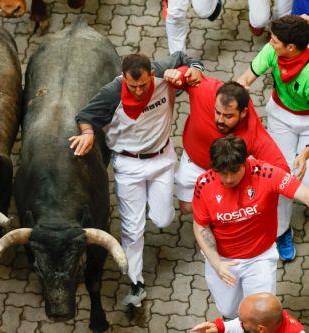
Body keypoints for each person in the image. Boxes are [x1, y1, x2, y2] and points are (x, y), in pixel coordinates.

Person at [69, 52, 204, 307]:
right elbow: (85, 117)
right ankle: (136, 283)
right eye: (133, 86)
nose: (139, 91)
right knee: (132, 229)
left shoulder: (165, 72)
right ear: (124, 79)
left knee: (163, 219)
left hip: (162, 159)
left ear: (152, 73)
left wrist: (193, 70)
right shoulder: (112, 93)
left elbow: (188, 58)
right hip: (128, 164)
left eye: (143, 84)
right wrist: (87, 134)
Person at [162, 69, 294, 262]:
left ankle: (281, 231)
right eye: (217, 112)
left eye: (228, 116)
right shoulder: (204, 88)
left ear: (243, 113)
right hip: (194, 163)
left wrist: (253, 170)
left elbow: (282, 171)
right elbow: (181, 76)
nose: (219, 120)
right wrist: (177, 74)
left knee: (227, 209)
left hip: (227, 171)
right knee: (186, 207)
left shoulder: (254, 133)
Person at [192, 136, 309, 319]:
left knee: (258, 314)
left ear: (244, 162)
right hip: (224, 260)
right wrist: (216, 263)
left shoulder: (267, 174)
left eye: (234, 171)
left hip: (259, 257)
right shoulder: (203, 184)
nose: (229, 178)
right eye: (223, 173)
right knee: (228, 311)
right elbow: (201, 227)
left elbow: (304, 194)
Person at [236, 15, 308, 260]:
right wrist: (239, 90)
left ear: (291, 48)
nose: (270, 42)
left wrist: (305, 152)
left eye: (275, 41)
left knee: (305, 181)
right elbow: (246, 77)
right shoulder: (272, 50)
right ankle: (282, 231)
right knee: (283, 175)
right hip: (280, 117)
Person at [191, 292, 306, 333]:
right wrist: (219, 328)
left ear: (261, 329)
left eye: (243, 320)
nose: (239, 321)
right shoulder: (271, 321)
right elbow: (236, 326)